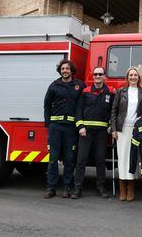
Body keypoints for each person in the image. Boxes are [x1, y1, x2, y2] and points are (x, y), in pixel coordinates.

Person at [43, 59, 85, 199]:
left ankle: (67, 188)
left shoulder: (79, 85)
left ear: (71, 70)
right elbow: (47, 105)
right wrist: (48, 123)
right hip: (55, 128)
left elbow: (85, 102)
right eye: (62, 69)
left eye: (67, 68)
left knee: (69, 159)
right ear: (60, 71)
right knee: (53, 159)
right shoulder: (54, 85)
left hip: (71, 129)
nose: (65, 71)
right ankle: (51, 188)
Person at [71, 66, 114, 199]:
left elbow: (113, 111)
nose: (97, 76)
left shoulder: (110, 92)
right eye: (95, 74)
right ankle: (77, 188)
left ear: (104, 76)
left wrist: (111, 127)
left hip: (101, 132)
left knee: (100, 160)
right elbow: (78, 111)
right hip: (86, 132)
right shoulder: (85, 92)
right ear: (93, 76)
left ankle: (100, 188)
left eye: (100, 74)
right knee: (81, 160)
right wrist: (80, 126)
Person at [110, 67, 142, 201]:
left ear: (138, 77)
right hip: (122, 129)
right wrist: (113, 129)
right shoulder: (121, 92)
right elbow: (114, 111)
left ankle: (131, 188)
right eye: (130, 75)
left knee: (133, 158)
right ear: (127, 77)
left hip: (135, 130)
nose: (133, 77)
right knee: (122, 158)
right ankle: (122, 189)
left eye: (135, 75)